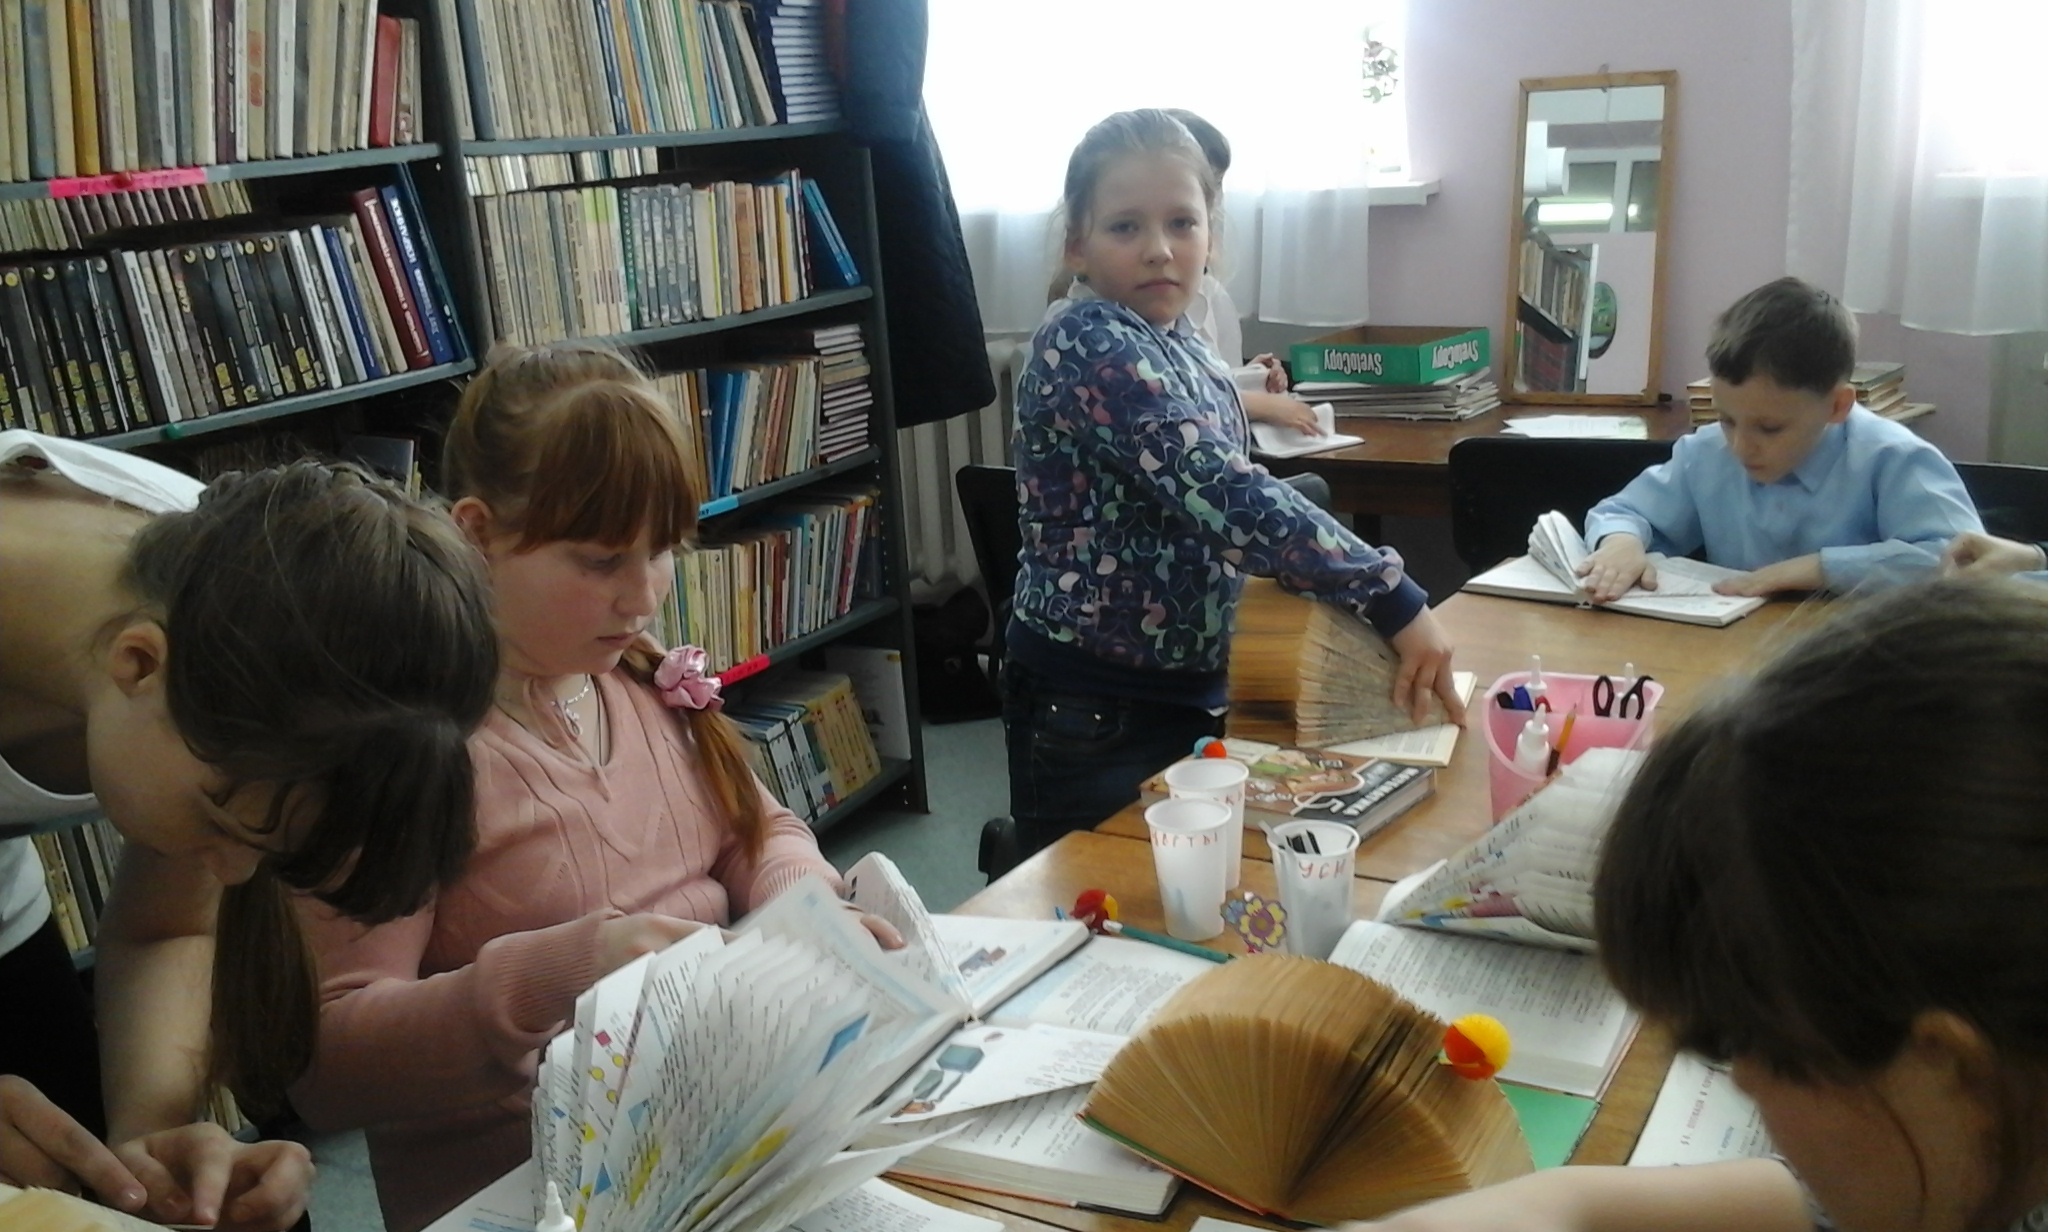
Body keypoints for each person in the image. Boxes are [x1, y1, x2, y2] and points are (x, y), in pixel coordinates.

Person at [288, 343, 897, 1232]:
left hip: (716, 1152)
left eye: (664, 551)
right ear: (478, 533)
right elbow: (328, 1065)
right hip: (530, 1196)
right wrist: (568, 973)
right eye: (602, 561)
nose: (643, 597)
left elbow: (756, 830)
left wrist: (803, 908)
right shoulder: (402, 751)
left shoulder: (636, 678)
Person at [1345, 577, 2048, 1232]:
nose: (1739, 1079)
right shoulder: (1986, 1134)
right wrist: (1563, 1204)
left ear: (1948, 1067)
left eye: (1744, 1040)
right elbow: (1836, 1193)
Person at [0, 430, 499, 1232]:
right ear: (137, 663)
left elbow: (168, 927)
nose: (233, 873)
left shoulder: (242, 618)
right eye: (222, 822)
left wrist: (153, 1142)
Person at [1004, 109, 1463, 858]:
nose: (1160, 249)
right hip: (1093, 704)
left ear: (1210, 235)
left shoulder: (1180, 338)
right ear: (1076, 244)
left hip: (1187, 689)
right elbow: (1220, 488)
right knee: (1098, 895)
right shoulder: (1085, 339)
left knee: (1193, 884)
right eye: (1125, 227)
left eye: (1182, 223)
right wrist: (1389, 593)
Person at [1577, 277, 1980, 602]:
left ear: (1837, 406)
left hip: (1862, 658)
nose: (1741, 446)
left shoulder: (1895, 458)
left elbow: (1964, 560)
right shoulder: (1706, 453)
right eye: (1726, 419)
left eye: (1770, 428)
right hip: (1732, 650)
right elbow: (1623, 511)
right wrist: (1621, 543)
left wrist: (1817, 569)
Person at [1163, 109, 1325, 439]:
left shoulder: (1210, 292)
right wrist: (1256, 403)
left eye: (1216, 187)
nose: (1213, 202)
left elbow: (1216, 380)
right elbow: (1166, 397)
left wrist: (1251, 379)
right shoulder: (1109, 320)